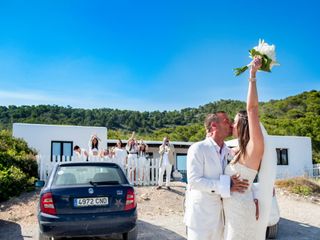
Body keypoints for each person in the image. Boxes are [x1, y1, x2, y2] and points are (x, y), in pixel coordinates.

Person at [184, 111, 250, 240]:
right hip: (201, 218)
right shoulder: (198, 148)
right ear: (214, 125)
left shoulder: (227, 150)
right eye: (226, 121)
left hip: (221, 219)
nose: (230, 124)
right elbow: (194, 181)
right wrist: (228, 184)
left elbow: (244, 149)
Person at [223, 56, 265, 240]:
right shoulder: (240, 150)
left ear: (244, 125)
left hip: (241, 215)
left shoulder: (255, 146)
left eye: (234, 122)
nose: (232, 125)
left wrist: (252, 75)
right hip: (233, 214)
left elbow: (252, 109)